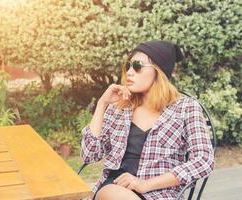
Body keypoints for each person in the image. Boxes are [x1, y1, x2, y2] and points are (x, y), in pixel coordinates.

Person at [80, 40, 214, 200]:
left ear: (159, 71)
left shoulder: (185, 108)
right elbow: (90, 155)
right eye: (128, 66)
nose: (129, 72)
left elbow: (204, 160)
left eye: (137, 66)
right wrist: (102, 104)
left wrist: (145, 184)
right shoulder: (119, 107)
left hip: (160, 193)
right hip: (115, 187)